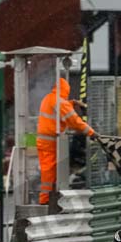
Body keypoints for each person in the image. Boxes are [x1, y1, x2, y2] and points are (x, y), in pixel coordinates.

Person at [37, 77, 97, 206]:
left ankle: (47, 198)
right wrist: (92, 132)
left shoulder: (49, 98)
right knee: (50, 173)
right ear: (65, 90)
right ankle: (45, 201)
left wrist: (70, 103)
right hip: (51, 143)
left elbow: (58, 110)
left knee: (48, 172)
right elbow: (75, 121)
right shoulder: (60, 102)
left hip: (44, 142)